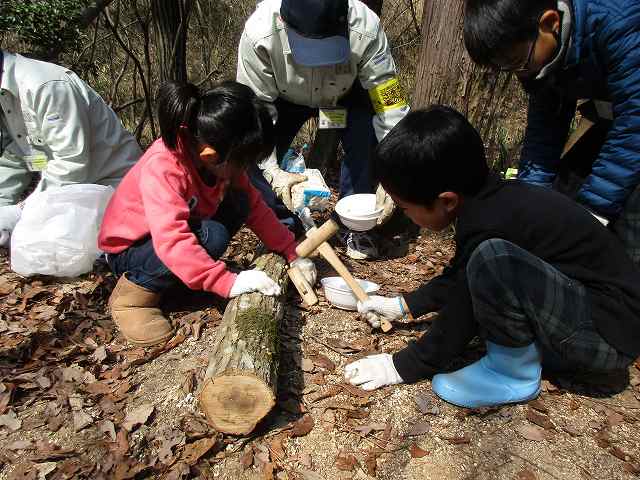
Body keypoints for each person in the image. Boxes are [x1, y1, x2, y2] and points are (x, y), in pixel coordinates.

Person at [344, 106, 640, 408]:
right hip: (598, 318)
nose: (405, 215)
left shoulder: (491, 223)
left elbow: (463, 307)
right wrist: (403, 305)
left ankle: (512, 372)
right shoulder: (494, 202)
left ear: (446, 200)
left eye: (404, 208)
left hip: (605, 337)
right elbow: (461, 276)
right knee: (485, 261)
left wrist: (403, 365)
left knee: (492, 258)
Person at [98, 81, 316, 347]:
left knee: (240, 201)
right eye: (244, 162)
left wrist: (291, 251)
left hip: (170, 238)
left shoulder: (217, 156)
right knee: (213, 236)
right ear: (212, 156)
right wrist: (225, 282)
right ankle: (133, 296)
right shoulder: (164, 167)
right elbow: (171, 239)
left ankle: (182, 280)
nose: (245, 169)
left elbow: (255, 206)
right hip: (130, 250)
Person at [462, 0, 640, 263]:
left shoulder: (617, 21)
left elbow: (635, 118)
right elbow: (543, 135)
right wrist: (530, 210)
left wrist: (593, 212)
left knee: (625, 219)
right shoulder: (542, 58)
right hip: (615, 121)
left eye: (517, 62)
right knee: (561, 203)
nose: (518, 75)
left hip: (632, 122)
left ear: (549, 23)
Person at [237, 0, 410, 259]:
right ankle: (281, 226)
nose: (317, 63)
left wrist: (396, 165)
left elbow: (389, 99)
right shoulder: (259, 34)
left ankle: (355, 225)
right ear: (284, 23)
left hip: (345, 96)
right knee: (254, 154)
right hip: (283, 100)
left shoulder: (367, 28)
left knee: (366, 141)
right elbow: (254, 114)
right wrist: (273, 171)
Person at [0, 49, 141, 246]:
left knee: (45, 248)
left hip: (114, 191)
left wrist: (22, 211)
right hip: (73, 194)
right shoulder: (6, 95)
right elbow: (25, 153)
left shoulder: (45, 86)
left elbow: (71, 162)